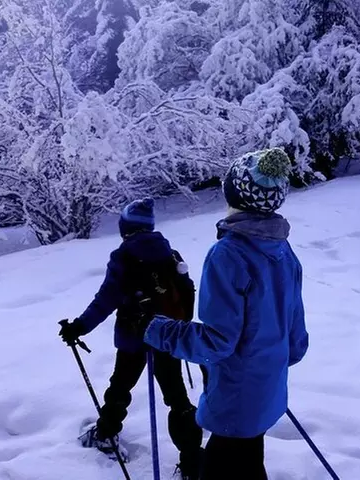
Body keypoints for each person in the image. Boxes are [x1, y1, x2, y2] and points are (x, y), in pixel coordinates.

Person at [140, 148, 309, 480]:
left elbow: (217, 343)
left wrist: (157, 329)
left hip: (236, 399)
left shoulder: (227, 254)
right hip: (266, 392)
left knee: (226, 466)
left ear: (234, 193)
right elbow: (297, 343)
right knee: (247, 465)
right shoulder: (282, 249)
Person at [59, 198, 202, 480]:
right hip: (168, 336)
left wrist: (79, 327)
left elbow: (106, 299)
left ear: (126, 228)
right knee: (177, 397)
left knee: (120, 387)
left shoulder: (123, 257)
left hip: (133, 337)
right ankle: (193, 461)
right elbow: (185, 291)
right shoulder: (169, 253)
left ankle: (106, 433)